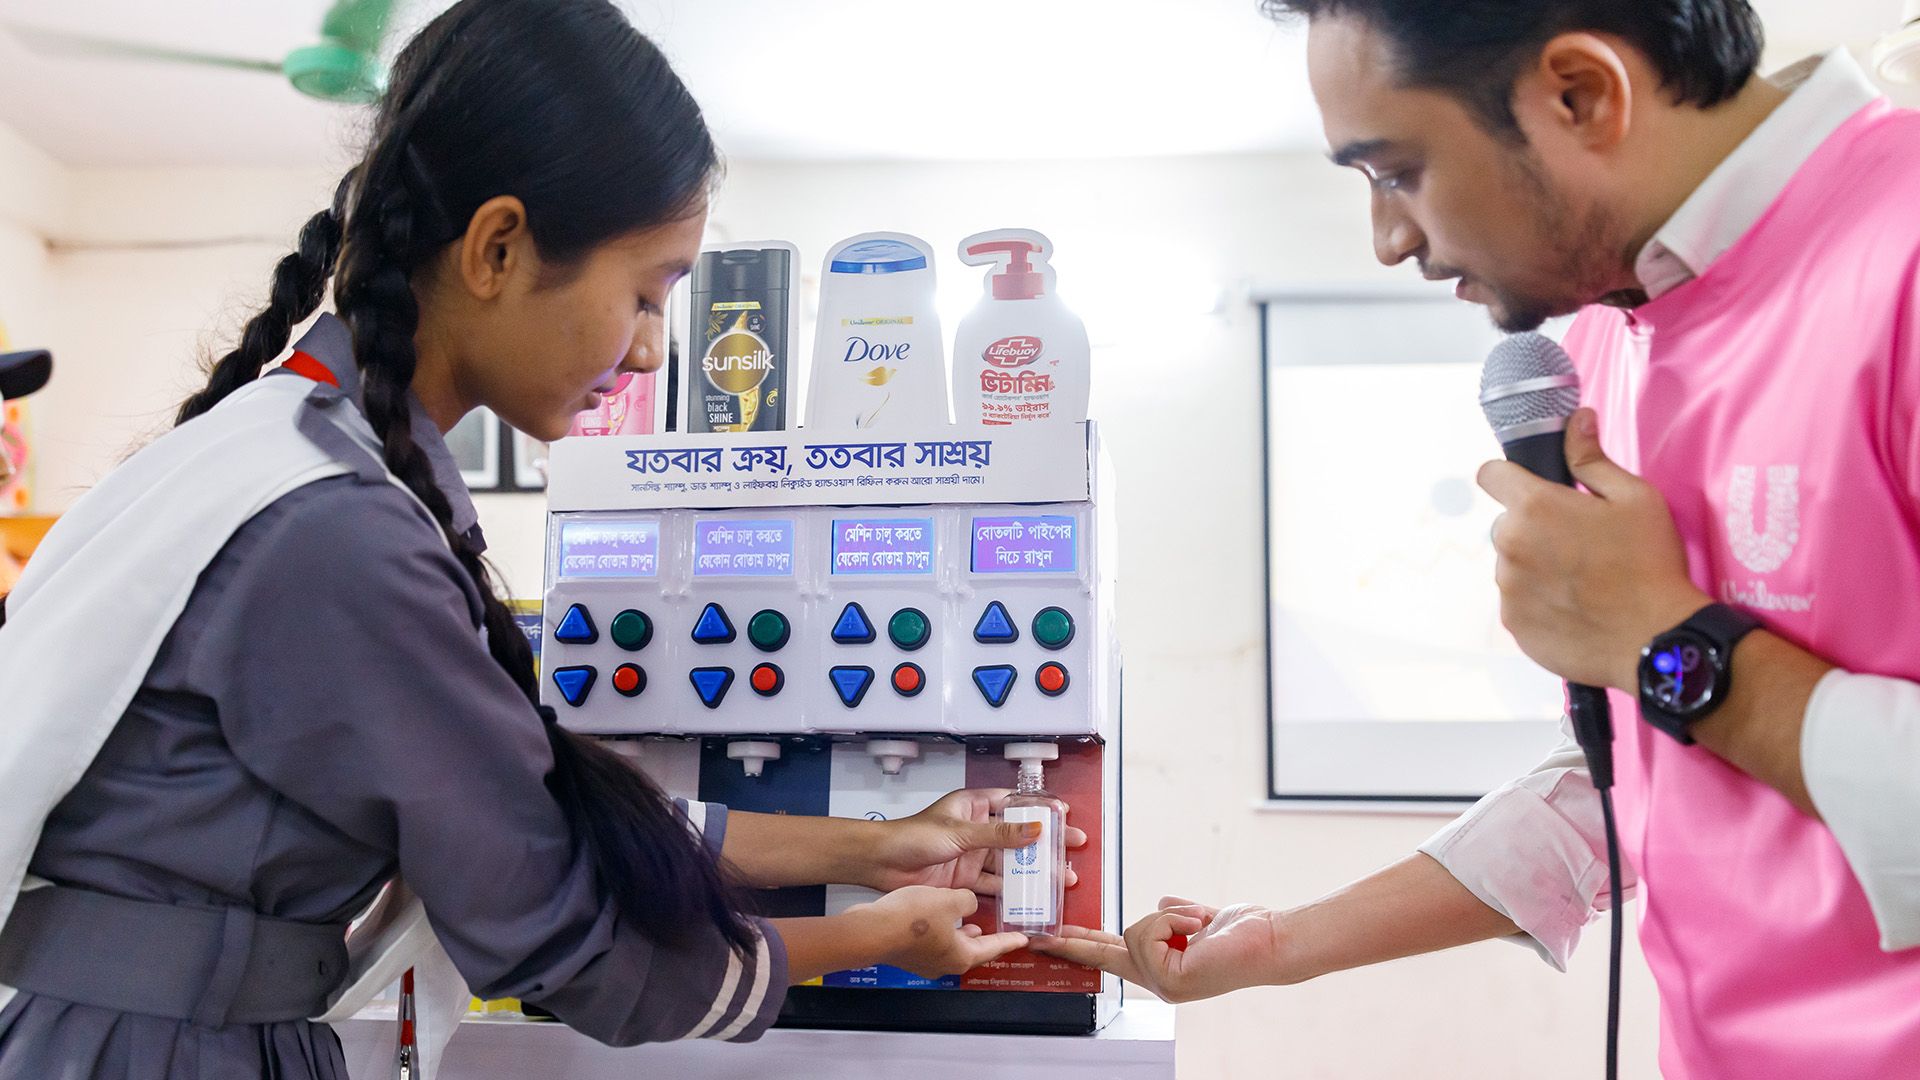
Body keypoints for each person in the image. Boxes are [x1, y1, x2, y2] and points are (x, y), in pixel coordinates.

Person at [0, 3, 1068, 1077]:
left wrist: (874, 848)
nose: (652, 353)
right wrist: (874, 937)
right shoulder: (338, 533)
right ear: (498, 247)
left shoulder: (300, 452)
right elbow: (563, 937)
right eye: (646, 295)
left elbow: (534, 803)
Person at [1034, 2, 1920, 1075]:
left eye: (1396, 170)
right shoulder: (1602, 339)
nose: (1391, 239)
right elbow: (1638, 775)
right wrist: (1284, 943)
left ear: (1580, 94)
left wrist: (1669, 643)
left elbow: (1681, 670)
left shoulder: (1901, 254)